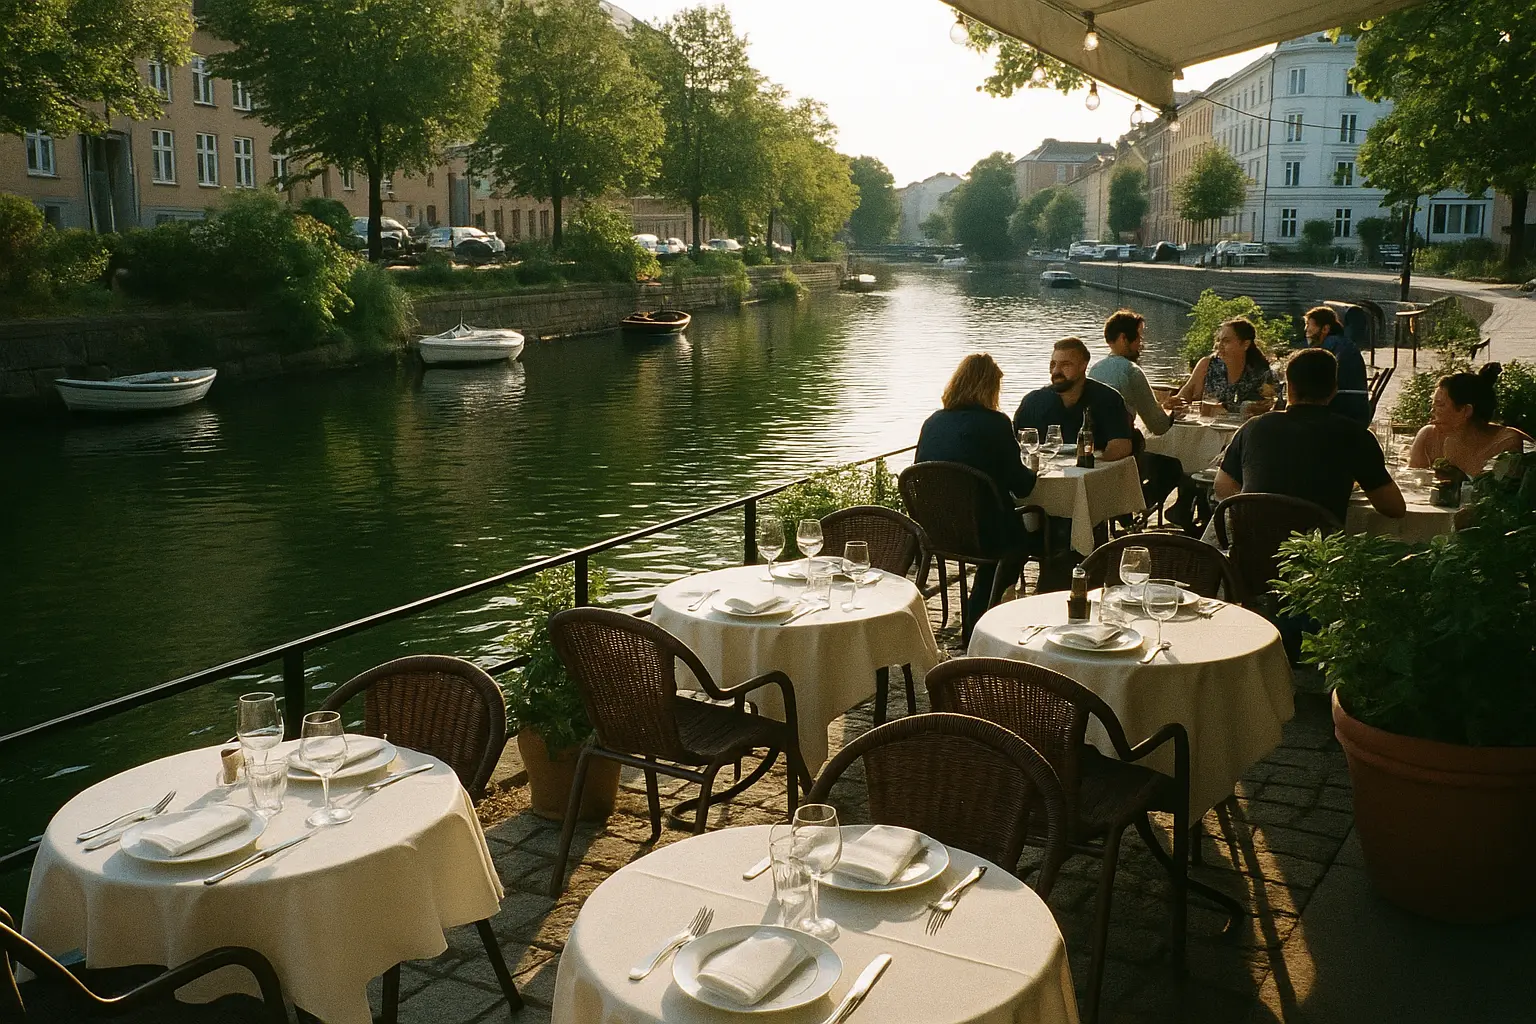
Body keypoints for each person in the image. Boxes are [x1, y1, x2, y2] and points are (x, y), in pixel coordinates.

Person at [916, 353, 1039, 629]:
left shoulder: (933, 422)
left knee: (994, 531)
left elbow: (921, 473)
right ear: (990, 387)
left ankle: (976, 614)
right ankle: (983, 615)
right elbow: (1022, 486)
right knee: (1023, 541)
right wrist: (1034, 468)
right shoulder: (996, 423)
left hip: (937, 529)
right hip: (983, 533)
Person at [1215, 348, 1405, 524]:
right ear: (1334, 390)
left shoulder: (1253, 427)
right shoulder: (1355, 435)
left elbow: (1222, 488)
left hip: (1251, 551)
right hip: (1314, 556)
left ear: (1289, 388)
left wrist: (1262, 507)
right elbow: (1394, 508)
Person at [1088, 309, 1188, 523]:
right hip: (1124, 449)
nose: (1141, 343)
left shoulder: (1095, 370)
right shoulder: (1131, 371)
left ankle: (1123, 510)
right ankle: (1133, 508)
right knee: (1173, 467)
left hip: (1095, 447)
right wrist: (1171, 411)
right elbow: (1158, 425)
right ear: (1124, 338)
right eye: (1139, 337)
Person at [1013, 337, 1135, 461]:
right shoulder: (1033, 402)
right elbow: (1015, 444)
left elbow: (1121, 445)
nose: (1056, 371)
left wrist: (1093, 465)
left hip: (1091, 472)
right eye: (1053, 364)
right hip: (1043, 473)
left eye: (1066, 365)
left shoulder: (1108, 399)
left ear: (1084, 365)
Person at [1408, 364, 1532, 477]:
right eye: (1433, 405)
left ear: (1466, 411)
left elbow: (1496, 493)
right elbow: (1412, 484)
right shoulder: (1429, 436)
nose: (1432, 412)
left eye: (1440, 405)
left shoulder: (1506, 443)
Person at [1175, 317, 1280, 415]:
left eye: (1226, 341)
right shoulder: (1206, 365)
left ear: (1245, 344)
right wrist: (1173, 403)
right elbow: (1182, 398)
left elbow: (1272, 409)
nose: (1219, 346)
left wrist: (1226, 409)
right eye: (1218, 340)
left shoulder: (1262, 373)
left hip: (1244, 431)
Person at [1305, 305, 1370, 424]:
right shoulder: (1341, 342)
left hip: (1343, 406)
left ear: (1325, 329)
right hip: (1356, 406)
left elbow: (1315, 374)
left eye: (1309, 325)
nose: (1307, 330)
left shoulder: (1330, 344)